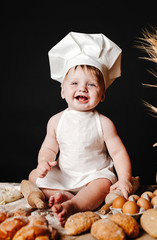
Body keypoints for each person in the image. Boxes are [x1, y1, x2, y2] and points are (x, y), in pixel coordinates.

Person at [29, 32, 132, 226]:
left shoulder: (104, 123)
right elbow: (49, 148)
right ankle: (64, 194)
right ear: (62, 91)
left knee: (104, 184)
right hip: (65, 173)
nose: (82, 89)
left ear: (102, 95)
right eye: (74, 83)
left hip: (93, 175)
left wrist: (125, 179)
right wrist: (43, 162)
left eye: (91, 85)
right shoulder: (56, 121)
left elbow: (118, 153)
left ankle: (74, 205)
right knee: (33, 176)